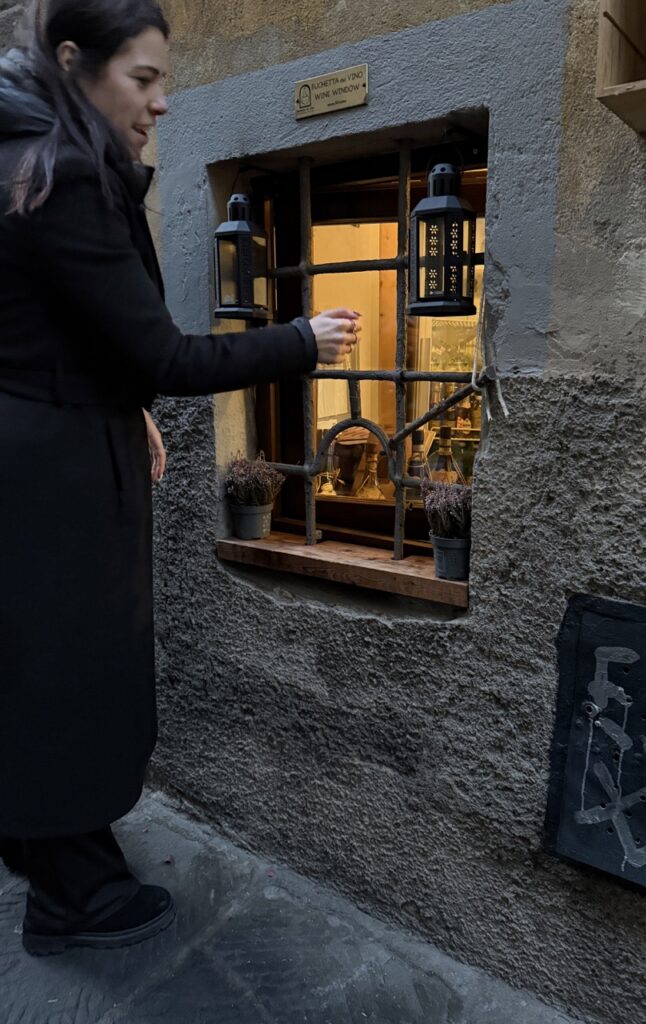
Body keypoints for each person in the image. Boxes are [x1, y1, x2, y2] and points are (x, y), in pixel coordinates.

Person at [0, 0, 360, 956]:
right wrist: (299, 341)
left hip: (39, 446)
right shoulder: (63, 172)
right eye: (144, 79)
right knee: (70, 672)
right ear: (74, 62)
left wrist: (125, 409)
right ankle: (70, 899)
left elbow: (55, 325)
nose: (161, 102)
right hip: (51, 474)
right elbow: (161, 349)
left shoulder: (25, 152)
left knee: (39, 667)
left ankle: (51, 849)